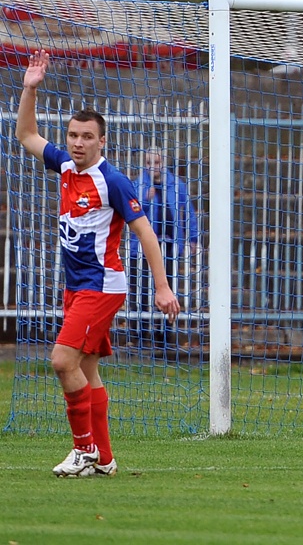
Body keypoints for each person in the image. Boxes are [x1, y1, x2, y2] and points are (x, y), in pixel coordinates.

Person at [16, 50, 180, 476]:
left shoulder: (113, 180)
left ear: (101, 140)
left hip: (101, 287)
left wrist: (162, 287)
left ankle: (84, 449)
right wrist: (30, 87)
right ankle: (105, 460)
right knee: (86, 368)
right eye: (73, 134)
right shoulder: (66, 167)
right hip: (77, 286)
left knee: (61, 361)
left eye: (86, 136)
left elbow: (145, 232)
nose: (77, 142)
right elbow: (26, 135)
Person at [128, 147, 199, 353]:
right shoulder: (138, 185)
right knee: (140, 290)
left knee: (167, 288)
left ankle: (164, 334)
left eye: (157, 162)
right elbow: (131, 212)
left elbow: (188, 212)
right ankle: (139, 334)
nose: (153, 167)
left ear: (164, 163)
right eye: (149, 162)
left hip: (168, 244)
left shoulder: (176, 185)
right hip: (141, 247)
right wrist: (146, 200)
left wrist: (192, 238)